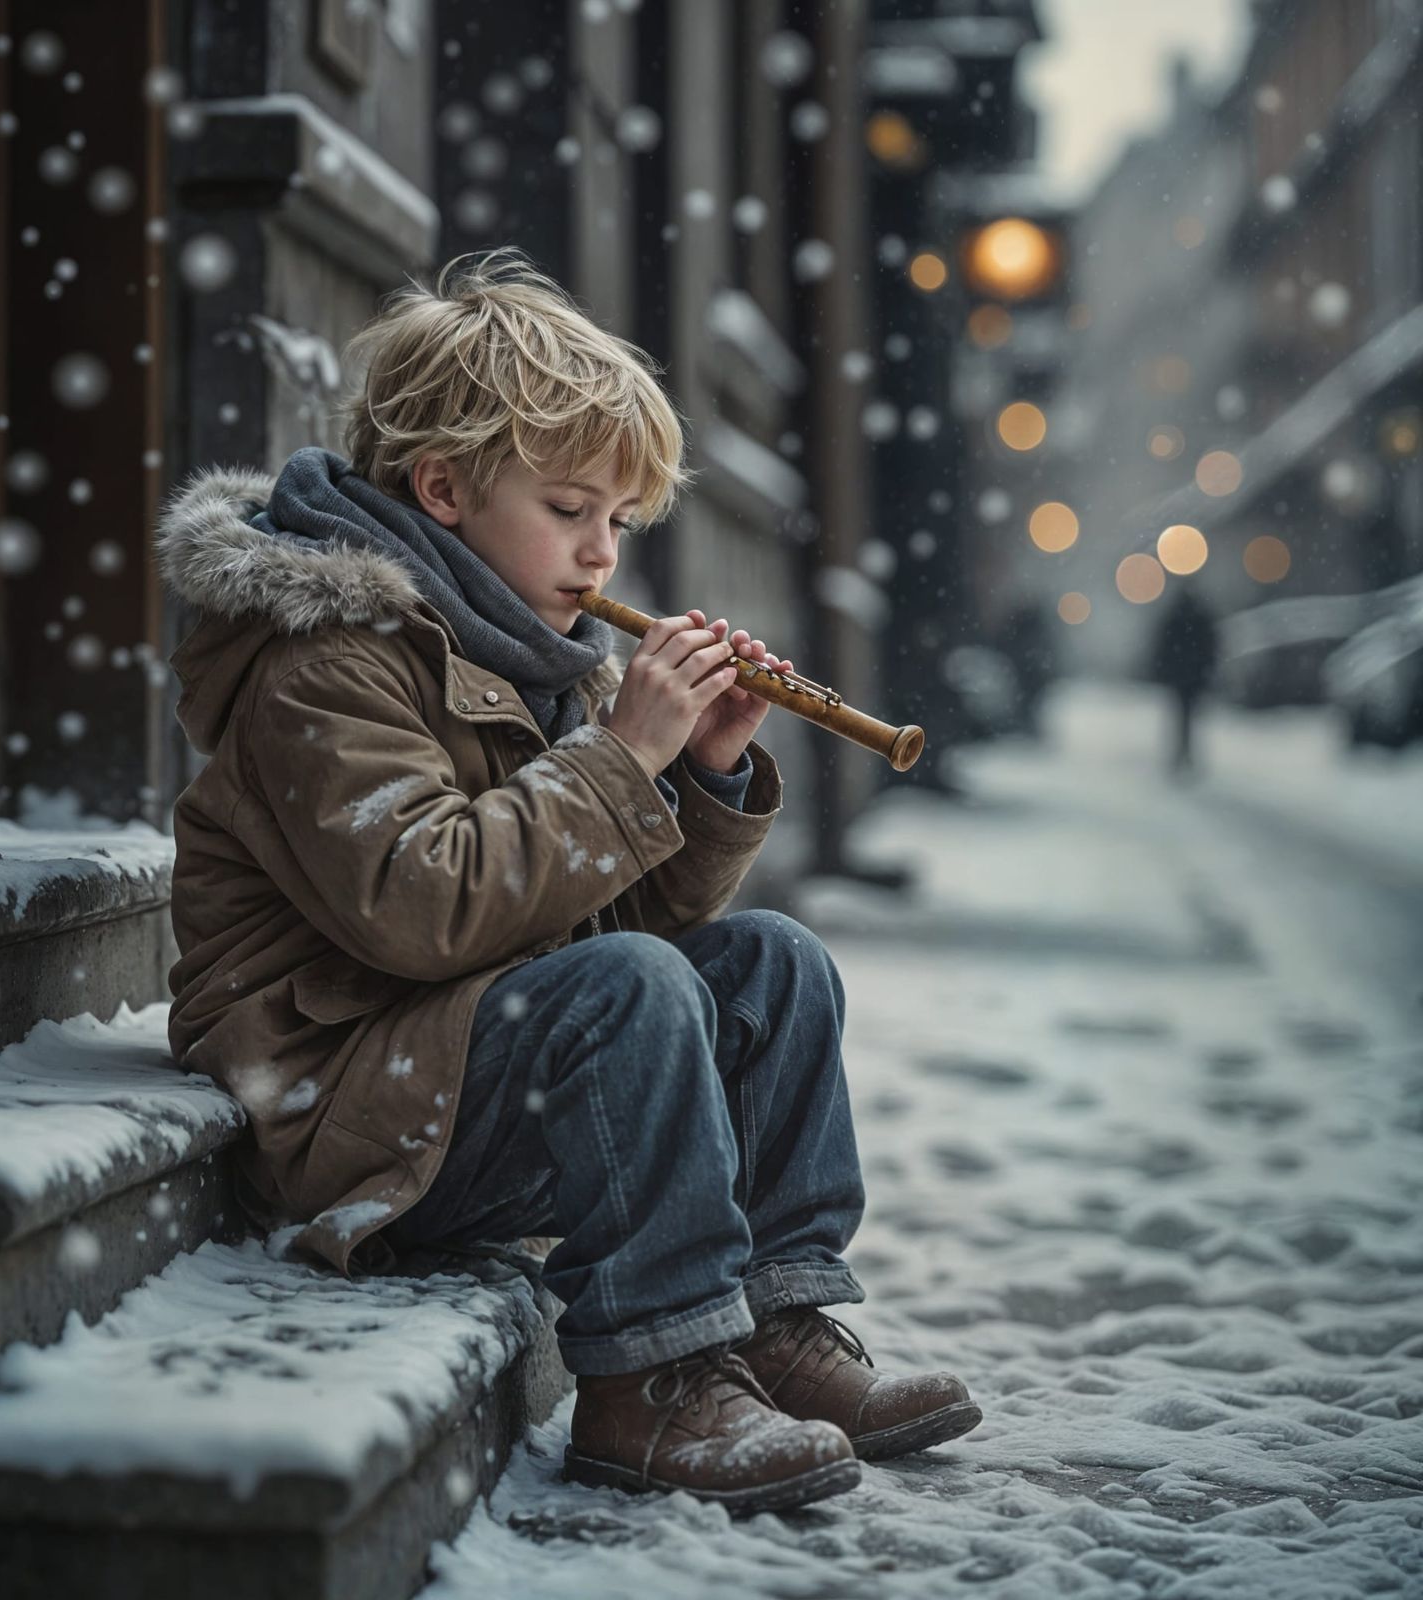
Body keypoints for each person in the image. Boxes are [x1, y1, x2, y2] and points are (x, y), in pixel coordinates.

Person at [156, 249, 980, 1515]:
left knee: (771, 963)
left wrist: (697, 779)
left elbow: (585, 924)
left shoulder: (520, 651)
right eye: (569, 509)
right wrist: (616, 757)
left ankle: (770, 1323)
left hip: (453, 1059)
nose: (601, 556)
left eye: (620, 522)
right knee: (640, 990)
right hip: (333, 1097)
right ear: (442, 490)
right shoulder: (324, 658)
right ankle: (645, 1383)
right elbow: (422, 905)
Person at [1149, 584, 1219, 774]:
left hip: (1181, 676)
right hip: (1193, 676)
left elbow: (1163, 647)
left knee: (1180, 718)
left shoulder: (1175, 618)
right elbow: (1210, 646)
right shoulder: (1200, 618)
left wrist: (1163, 670)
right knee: (1188, 718)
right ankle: (1186, 754)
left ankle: (1180, 754)